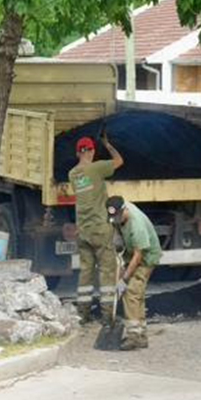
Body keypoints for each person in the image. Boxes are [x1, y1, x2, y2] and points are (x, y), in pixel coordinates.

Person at [69, 133, 123, 321]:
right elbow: (118, 161)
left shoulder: (73, 174)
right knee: (107, 271)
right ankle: (108, 315)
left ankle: (83, 313)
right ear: (91, 151)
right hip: (100, 228)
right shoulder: (97, 168)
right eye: (93, 150)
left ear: (78, 153)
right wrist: (108, 144)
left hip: (83, 231)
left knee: (86, 272)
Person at [106, 195, 162, 351]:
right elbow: (117, 230)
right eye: (113, 218)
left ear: (124, 210)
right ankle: (141, 336)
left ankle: (134, 337)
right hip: (131, 254)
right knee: (136, 294)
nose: (115, 220)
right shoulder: (118, 215)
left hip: (146, 257)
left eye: (118, 217)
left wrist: (124, 279)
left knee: (131, 291)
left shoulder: (137, 225)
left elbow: (139, 255)